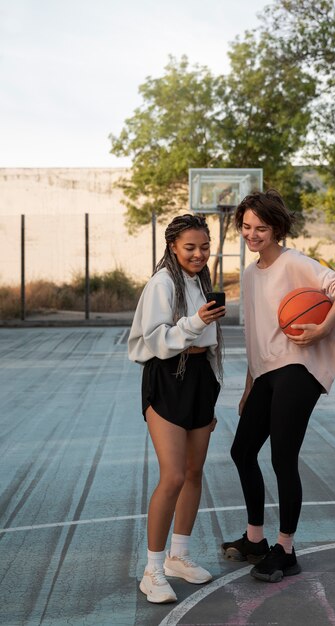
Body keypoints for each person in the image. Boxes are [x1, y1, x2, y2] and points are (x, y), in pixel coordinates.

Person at [221, 189, 335, 583]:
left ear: (277, 228)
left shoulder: (295, 262)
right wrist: (249, 386)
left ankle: (285, 548)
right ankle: (255, 540)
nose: (252, 235)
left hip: (298, 369)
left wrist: (324, 326)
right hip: (266, 373)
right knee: (242, 450)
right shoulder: (250, 274)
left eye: (261, 228)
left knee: (283, 457)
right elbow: (255, 334)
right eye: (247, 227)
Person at [128, 214, 225, 603]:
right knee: (172, 476)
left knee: (193, 472)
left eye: (204, 246)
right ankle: (152, 569)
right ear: (172, 246)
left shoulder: (201, 282)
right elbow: (152, 340)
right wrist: (194, 322)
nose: (199, 253)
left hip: (200, 377)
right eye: (190, 247)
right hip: (168, 376)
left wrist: (213, 388)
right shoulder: (161, 283)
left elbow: (211, 341)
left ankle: (178, 556)